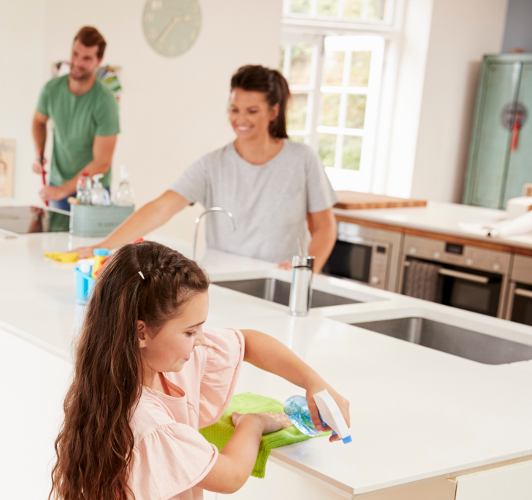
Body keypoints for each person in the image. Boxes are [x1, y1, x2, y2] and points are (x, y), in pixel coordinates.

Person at [51, 241, 350, 499]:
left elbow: (249, 342)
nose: (202, 341)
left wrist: (315, 383)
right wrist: (253, 424)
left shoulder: (155, 360)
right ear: (140, 332)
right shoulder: (149, 424)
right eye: (191, 331)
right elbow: (230, 476)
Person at [75, 65, 337, 272]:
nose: (240, 119)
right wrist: (104, 247)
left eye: (252, 111)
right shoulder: (213, 165)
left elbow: (324, 227)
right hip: (223, 281)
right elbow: (160, 209)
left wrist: (306, 268)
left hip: (279, 280)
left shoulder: (302, 160)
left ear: (273, 112)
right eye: (234, 109)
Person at [32, 26, 120, 210]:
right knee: (54, 238)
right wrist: (39, 153)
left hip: (93, 191)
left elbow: (102, 163)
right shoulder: (51, 89)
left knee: (92, 240)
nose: (78, 62)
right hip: (58, 183)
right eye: (75, 54)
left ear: (99, 60)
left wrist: (63, 190)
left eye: (87, 58)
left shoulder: (105, 101)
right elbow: (39, 121)